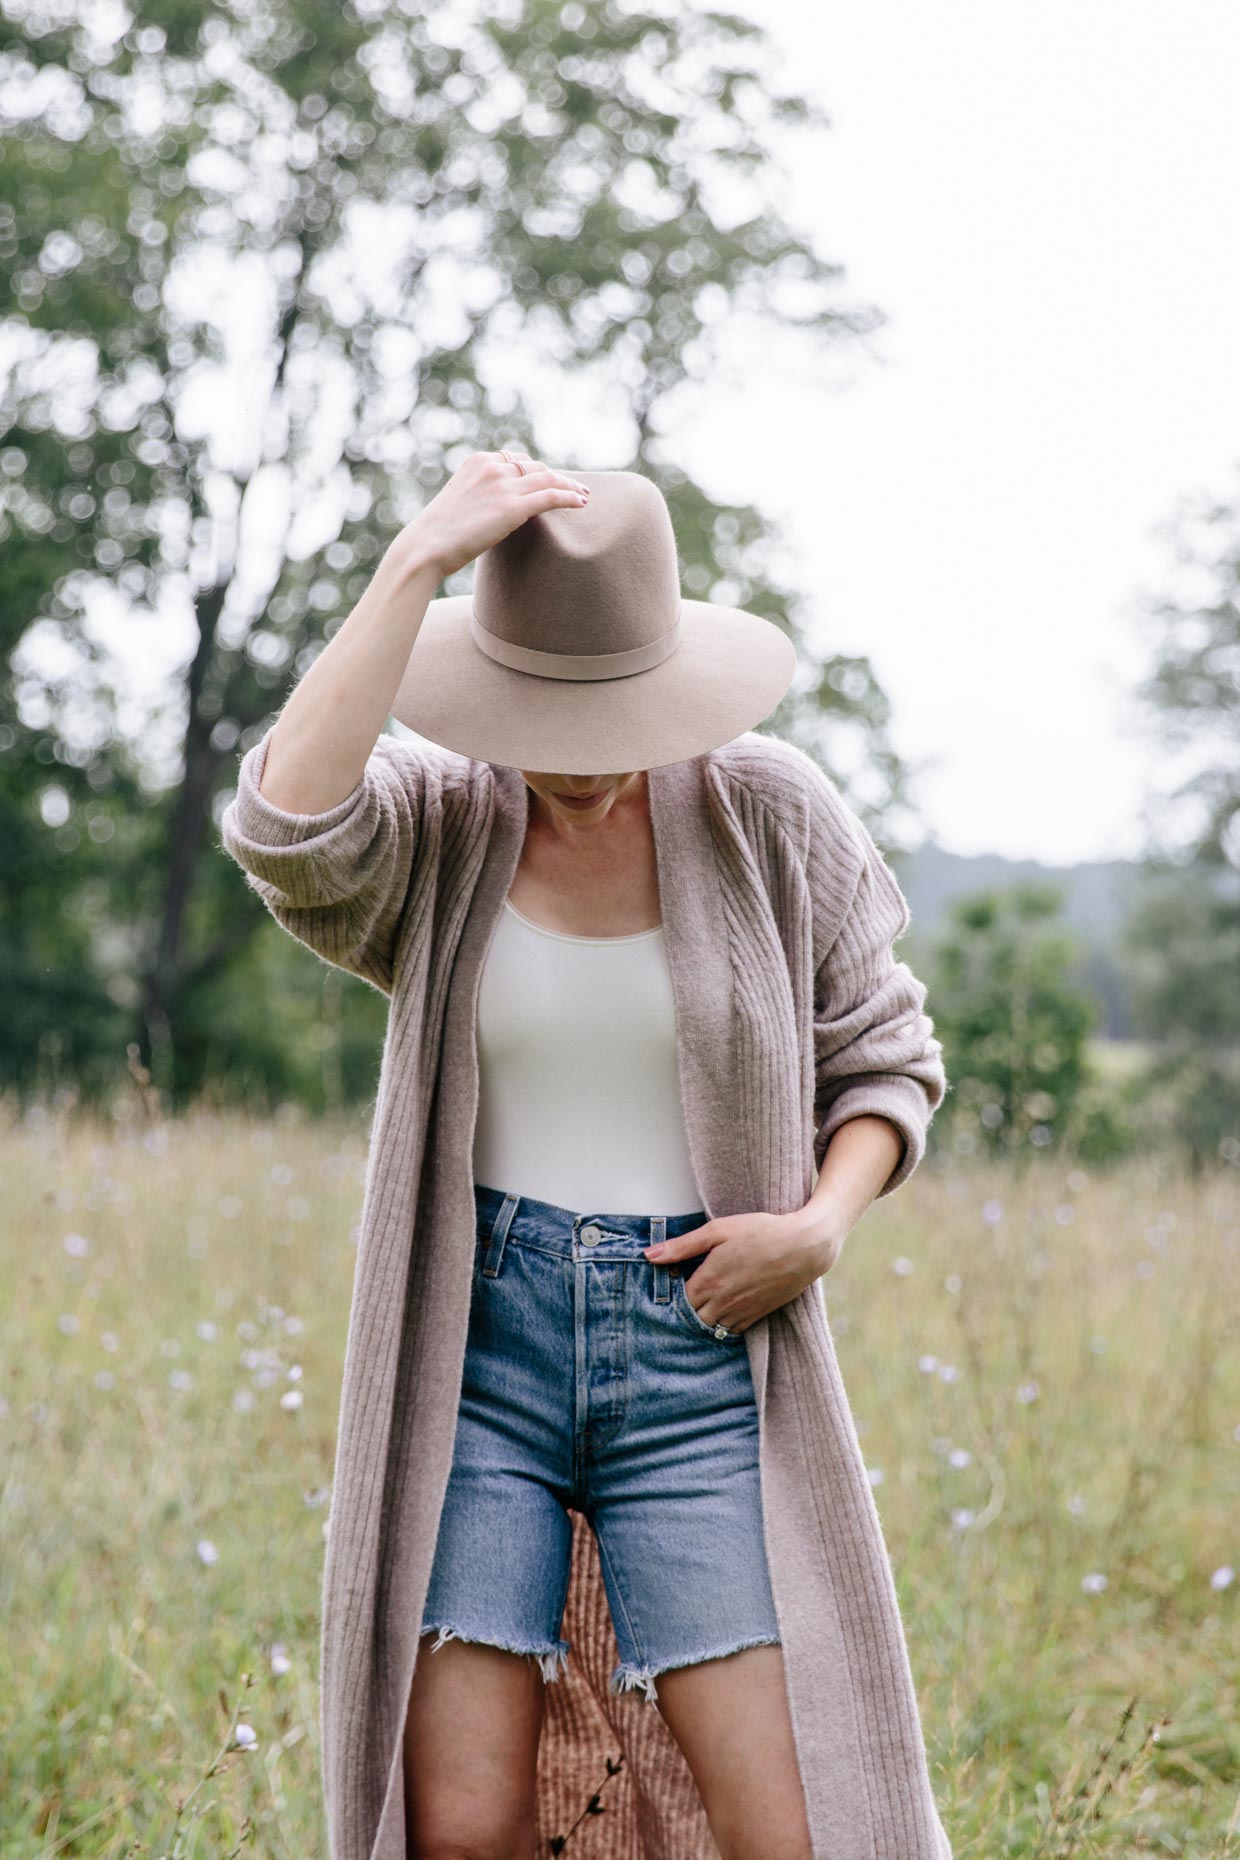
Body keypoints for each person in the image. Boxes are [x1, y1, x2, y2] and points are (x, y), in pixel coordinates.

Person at [220, 452, 953, 1860]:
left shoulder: (770, 813)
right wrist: (410, 566)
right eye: (539, 713)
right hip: (474, 1355)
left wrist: (821, 1224)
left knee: (789, 1821)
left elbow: (885, 1052)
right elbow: (287, 831)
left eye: (613, 710)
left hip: (700, 1347)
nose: (577, 753)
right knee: (462, 1823)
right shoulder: (440, 819)